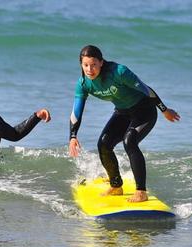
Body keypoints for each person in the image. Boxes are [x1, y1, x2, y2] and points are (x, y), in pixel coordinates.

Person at [68, 45, 180, 202]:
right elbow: (76, 111)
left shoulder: (119, 72)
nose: (89, 69)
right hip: (123, 112)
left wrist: (164, 110)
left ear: (101, 62)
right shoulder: (83, 84)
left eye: (93, 64)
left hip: (144, 110)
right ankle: (116, 186)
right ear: (81, 65)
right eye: (85, 65)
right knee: (104, 144)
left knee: (130, 141)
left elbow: (147, 90)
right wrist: (73, 136)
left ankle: (141, 191)